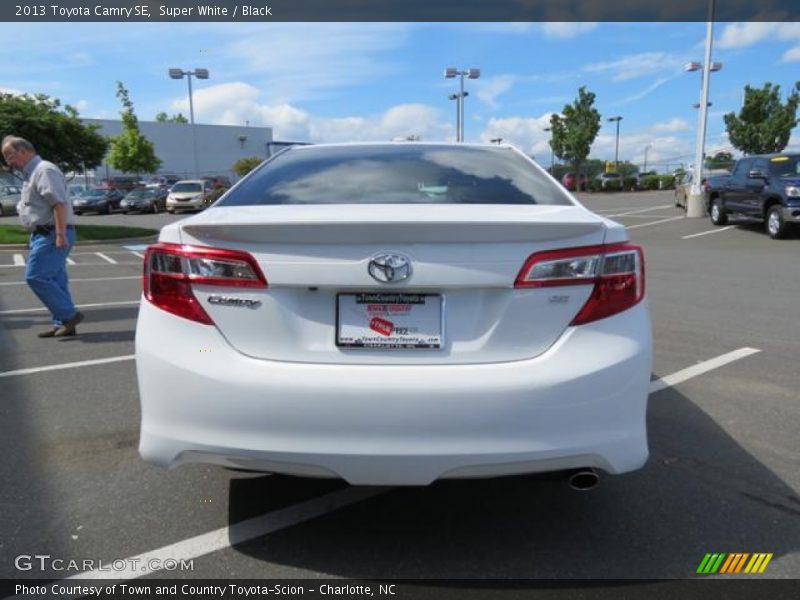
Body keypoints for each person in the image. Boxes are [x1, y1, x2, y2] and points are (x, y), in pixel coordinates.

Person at [2, 135, 84, 337]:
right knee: (56, 279)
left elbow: (59, 204)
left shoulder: (44, 170)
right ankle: (63, 322)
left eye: (9, 156)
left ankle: (69, 315)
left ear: (23, 151)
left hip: (52, 233)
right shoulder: (31, 174)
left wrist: (60, 234)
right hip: (43, 233)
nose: (8, 162)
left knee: (35, 276)